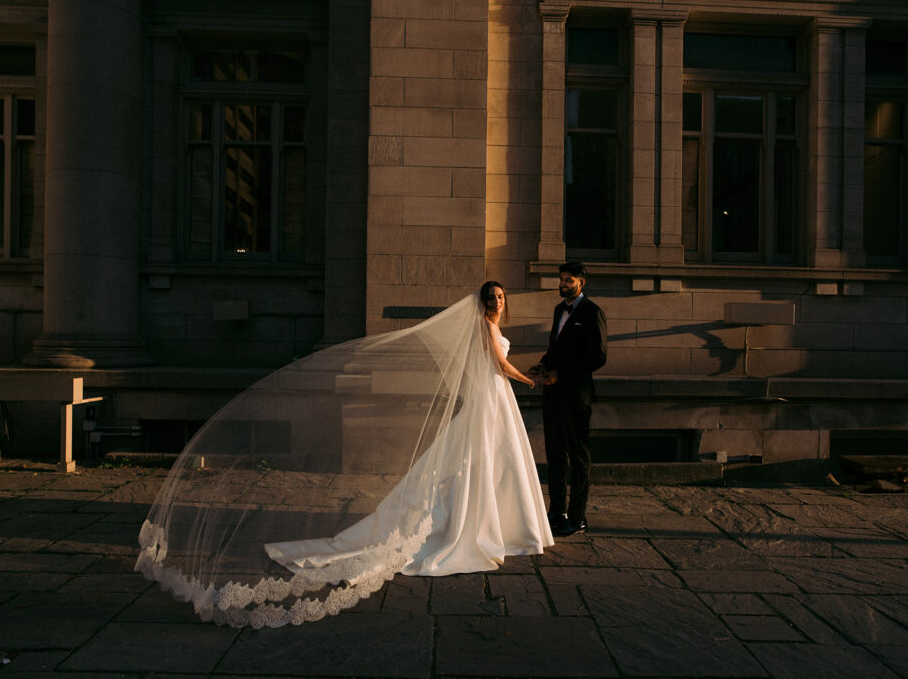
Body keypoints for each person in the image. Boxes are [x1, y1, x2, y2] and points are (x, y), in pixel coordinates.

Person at [137, 282, 552, 627]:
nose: (497, 302)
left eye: (500, 297)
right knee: (475, 463)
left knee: (495, 462)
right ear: (482, 302)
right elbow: (498, 365)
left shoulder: (490, 324)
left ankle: (508, 523)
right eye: (492, 297)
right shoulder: (481, 326)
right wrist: (530, 381)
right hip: (493, 396)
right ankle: (475, 525)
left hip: (496, 401)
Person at [530, 262, 607, 537]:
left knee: (578, 458)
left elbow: (598, 357)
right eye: (561, 279)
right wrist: (542, 364)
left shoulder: (592, 312)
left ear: (581, 283)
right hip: (552, 395)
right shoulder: (557, 311)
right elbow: (556, 349)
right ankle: (556, 513)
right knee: (555, 456)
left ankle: (578, 517)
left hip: (576, 397)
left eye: (568, 280)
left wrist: (560, 374)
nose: (562, 284)